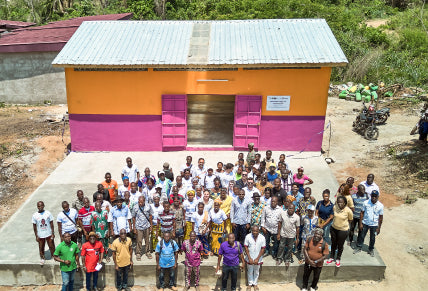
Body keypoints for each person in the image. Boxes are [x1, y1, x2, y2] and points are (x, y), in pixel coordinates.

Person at [354, 190, 384, 257]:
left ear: (378, 197)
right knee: (361, 236)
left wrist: (379, 228)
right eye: (372, 196)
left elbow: (381, 217)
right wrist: (360, 223)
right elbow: (362, 213)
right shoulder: (366, 202)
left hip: (374, 224)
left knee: (372, 238)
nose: (374, 197)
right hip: (365, 223)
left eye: (375, 196)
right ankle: (359, 247)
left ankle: (370, 249)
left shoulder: (380, 206)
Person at [325, 196, 353, 267]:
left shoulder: (348, 211)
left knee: (340, 245)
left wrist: (343, 225)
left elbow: (350, 220)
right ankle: (331, 257)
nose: (340, 204)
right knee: (333, 243)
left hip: (343, 230)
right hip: (334, 228)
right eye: (338, 202)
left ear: (345, 203)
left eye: (341, 202)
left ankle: (338, 258)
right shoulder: (335, 207)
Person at [32, 201, 55, 265]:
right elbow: (34, 226)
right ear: (37, 207)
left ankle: (54, 256)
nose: (40, 207)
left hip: (48, 233)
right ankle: (42, 258)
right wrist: (36, 236)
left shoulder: (48, 213)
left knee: (51, 246)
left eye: (41, 205)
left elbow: (51, 223)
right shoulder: (35, 215)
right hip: (40, 235)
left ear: (44, 206)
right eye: (39, 206)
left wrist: (53, 233)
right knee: (41, 247)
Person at [244, 225, 266, 291]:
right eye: (253, 231)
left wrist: (257, 258)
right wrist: (249, 258)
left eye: (256, 231)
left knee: (256, 271)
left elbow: (263, 249)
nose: (255, 232)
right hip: (249, 257)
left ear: (259, 231)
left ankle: (255, 284)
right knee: (250, 271)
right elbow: (246, 247)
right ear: (251, 230)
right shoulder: (248, 236)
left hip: (258, 257)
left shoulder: (262, 238)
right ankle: (250, 284)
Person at [132, 195, 153, 260]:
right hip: (138, 226)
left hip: (146, 226)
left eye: (141, 202)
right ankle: (138, 253)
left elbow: (150, 216)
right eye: (139, 202)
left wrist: (151, 226)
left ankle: (147, 252)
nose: (140, 203)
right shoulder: (135, 207)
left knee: (147, 240)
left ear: (144, 201)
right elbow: (133, 217)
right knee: (139, 240)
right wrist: (134, 228)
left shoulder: (148, 206)